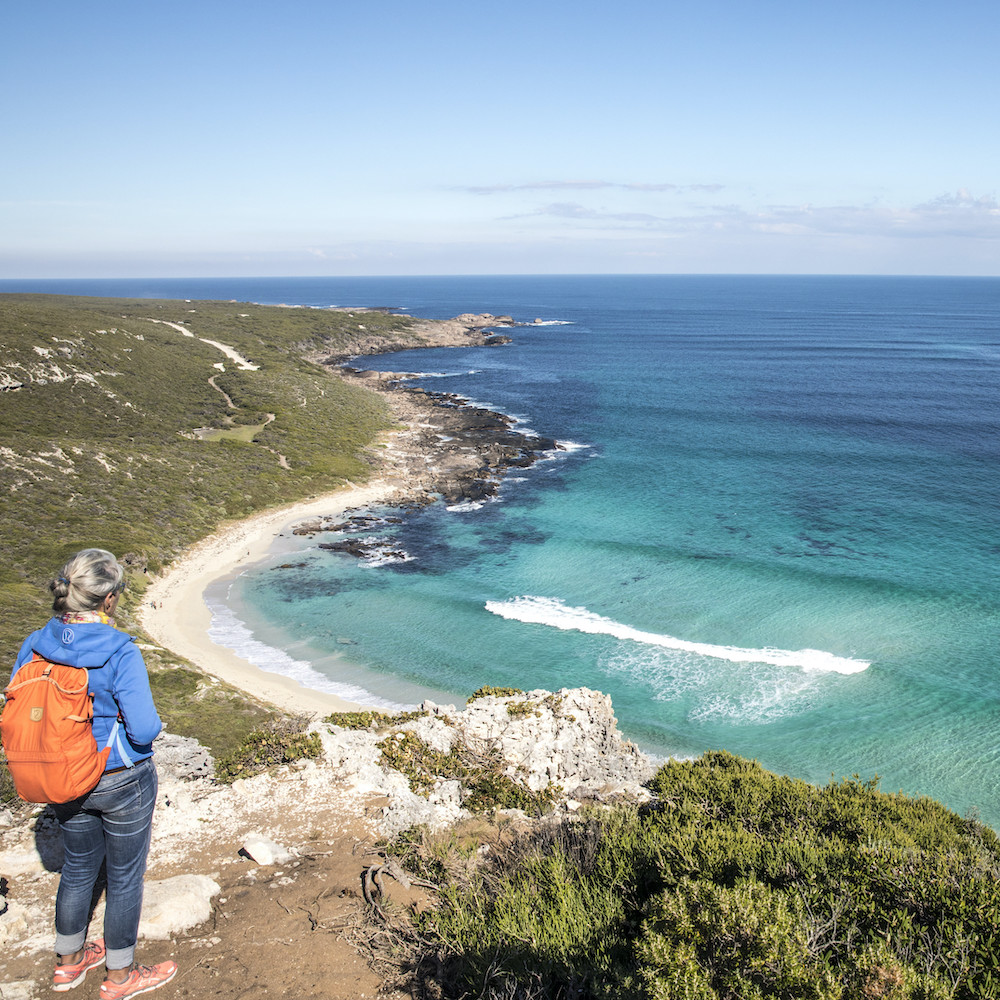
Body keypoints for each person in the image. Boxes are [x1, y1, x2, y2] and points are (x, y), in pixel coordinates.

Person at [10, 549, 177, 998]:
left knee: (79, 868)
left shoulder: (36, 641)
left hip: (61, 773)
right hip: (119, 777)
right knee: (124, 877)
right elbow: (144, 728)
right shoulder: (119, 650)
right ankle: (121, 977)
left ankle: (67, 964)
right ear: (108, 600)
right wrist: (124, 747)